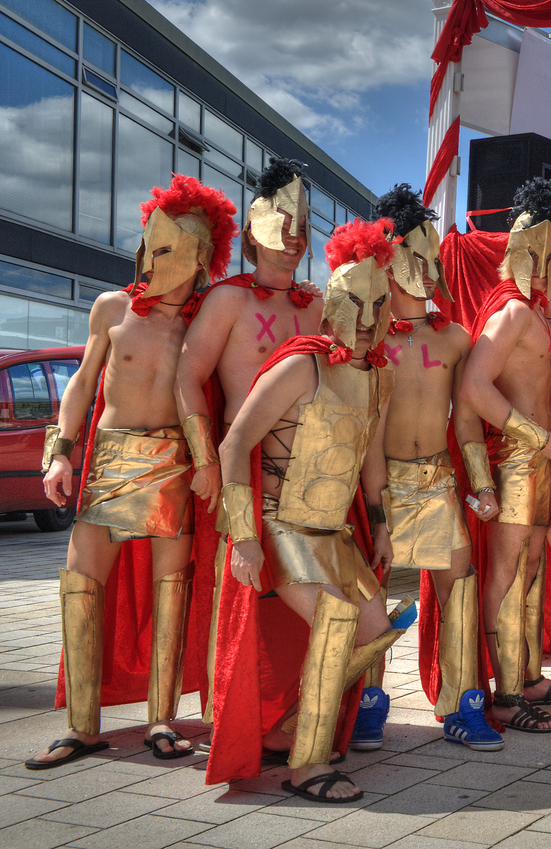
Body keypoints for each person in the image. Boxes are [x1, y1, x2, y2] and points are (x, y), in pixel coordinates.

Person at [29, 176, 237, 770]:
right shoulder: (112, 306)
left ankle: (162, 721)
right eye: (151, 244)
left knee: (172, 594)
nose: (153, 258)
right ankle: (81, 725)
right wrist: (60, 450)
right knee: (81, 584)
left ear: (201, 256)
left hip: (174, 461)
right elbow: (82, 380)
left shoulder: (207, 318)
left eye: (170, 247)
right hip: (110, 458)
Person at [209, 218, 414, 802]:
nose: (370, 318)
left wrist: (381, 528)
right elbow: (234, 446)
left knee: (379, 627)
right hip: (278, 524)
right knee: (336, 621)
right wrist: (245, 537)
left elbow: (371, 460)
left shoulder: (380, 378)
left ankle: (291, 728)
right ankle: (308, 766)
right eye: (358, 302)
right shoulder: (300, 364)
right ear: (332, 302)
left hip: (334, 531)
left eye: (380, 303)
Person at [352, 184, 503, 752]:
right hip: (383, 482)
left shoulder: (457, 338)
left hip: (439, 480)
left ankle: (464, 706)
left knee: (458, 590)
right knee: (373, 593)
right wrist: (376, 509)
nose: (424, 266)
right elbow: (363, 435)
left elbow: (465, 424)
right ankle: (368, 705)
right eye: (411, 255)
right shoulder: (368, 339)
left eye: (430, 255)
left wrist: (483, 486)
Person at [175, 159, 324, 722]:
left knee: (304, 597)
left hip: (311, 474)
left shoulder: (316, 304)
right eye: (281, 226)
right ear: (252, 234)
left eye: (302, 228)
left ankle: (294, 717)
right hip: (242, 467)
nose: (293, 240)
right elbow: (188, 377)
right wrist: (204, 458)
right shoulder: (228, 301)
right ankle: (226, 720)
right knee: (236, 592)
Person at [457, 178, 551, 733]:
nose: (544, 260)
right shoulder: (508, 313)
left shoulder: (535, 313)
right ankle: (505, 695)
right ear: (513, 247)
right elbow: (474, 388)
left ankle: (526, 676)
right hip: (515, 458)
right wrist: (539, 440)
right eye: (535, 247)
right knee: (508, 573)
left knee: (531, 569)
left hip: (540, 460)